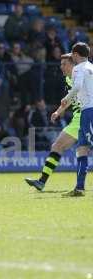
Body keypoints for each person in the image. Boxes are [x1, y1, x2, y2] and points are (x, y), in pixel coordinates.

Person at [51, 43, 93, 197]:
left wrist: (66, 97)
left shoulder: (78, 69)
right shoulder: (91, 67)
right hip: (87, 111)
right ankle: (79, 188)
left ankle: (80, 188)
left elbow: (77, 87)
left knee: (83, 149)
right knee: (82, 148)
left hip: (88, 111)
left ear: (75, 55)